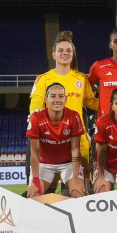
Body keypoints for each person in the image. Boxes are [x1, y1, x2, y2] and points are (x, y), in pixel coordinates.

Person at [29, 31, 98, 182]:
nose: (65, 53)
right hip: (52, 142)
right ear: (53, 55)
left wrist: (111, 97)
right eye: (61, 50)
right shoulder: (43, 79)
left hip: (79, 141)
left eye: (68, 50)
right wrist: (34, 112)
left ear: (73, 54)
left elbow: (92, 103)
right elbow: (36, 101)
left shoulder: (81, 78)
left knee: (81, 186)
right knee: (51, 189)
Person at [25, 83, 86, 199]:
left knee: (79, 193)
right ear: (46, 99)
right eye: (53, 96)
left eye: (61, 96)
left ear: (66, 99)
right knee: (34, 195)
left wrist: (76, 176)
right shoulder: (36, 118)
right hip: (44, 164)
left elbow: (75, 150)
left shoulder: (74, 117)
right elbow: (34, 153)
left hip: (68, 163)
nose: (57, 100)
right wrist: (36, 180)